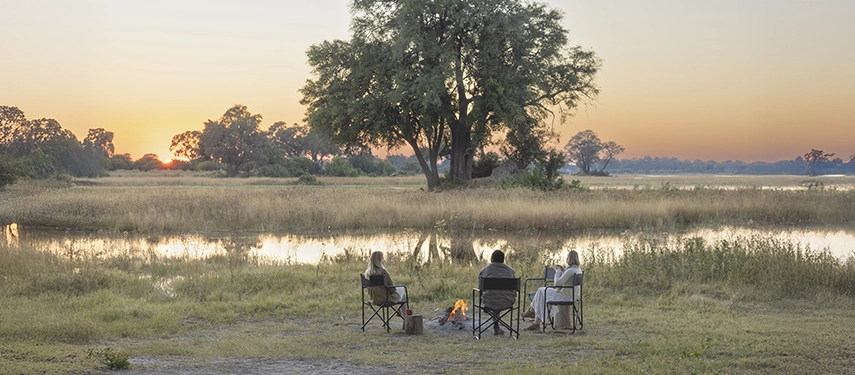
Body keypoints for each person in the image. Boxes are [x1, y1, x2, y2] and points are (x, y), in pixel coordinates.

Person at [523, 250, 582, 331]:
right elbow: (567, 280)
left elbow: (557, 284)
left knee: (541, 291)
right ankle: (534, 316)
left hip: (564, 296)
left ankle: (533, 311)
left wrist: (557, 271)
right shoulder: (577, 270)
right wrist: (563, 271)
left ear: (568, 259)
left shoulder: (570, 271)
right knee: (542, 292)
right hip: (571, 295)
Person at [478, 249, 516, 335]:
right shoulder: (511, 271)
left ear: (491, 259)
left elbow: (480, 289)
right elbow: (514, 290)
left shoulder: (485, 270)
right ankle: (496, 325)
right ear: (503, 260)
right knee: (499, 294)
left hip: (489, 302)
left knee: (494, 295)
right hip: (507, 301)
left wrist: (482, 301)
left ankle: (496, 324)